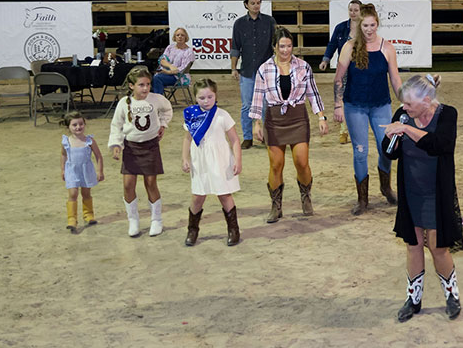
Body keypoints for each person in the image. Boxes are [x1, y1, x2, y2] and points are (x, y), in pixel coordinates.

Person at [381, 75, 463, 322]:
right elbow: (390, 154)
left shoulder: (447, 115)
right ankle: (413, 299)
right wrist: (391, 139)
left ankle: (452, 295)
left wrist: (407, 129)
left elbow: (441, 145)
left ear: (426, 101)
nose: (404, 109)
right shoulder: (402, 114)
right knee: (413, 244)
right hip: (411, 190)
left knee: (438, 246)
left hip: (437, 192)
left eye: (409, 104)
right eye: (403, 104)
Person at [251, 27, 328, 223]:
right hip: (274, 119)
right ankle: (276, 206)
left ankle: (306, 197)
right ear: (274, 47)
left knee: (301, 162)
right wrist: (256, 123)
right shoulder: (264, 69)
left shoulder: (303, 66)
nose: (286, 50)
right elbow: (258, 96)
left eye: (289, 46)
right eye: (282, 46)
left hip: (298, 117)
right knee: (276, 165)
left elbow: (313, 92)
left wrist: (321, 116)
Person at [333, 3, 402, 215]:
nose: (369, 29)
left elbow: (395, 79)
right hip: (355, 107)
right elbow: (339, 78)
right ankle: (362, 199)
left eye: (372, 25)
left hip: (381, 105)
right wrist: (338, 104)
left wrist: (406, 99)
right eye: (365, 25)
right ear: (359, 25)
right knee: (360, 152)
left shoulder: (387, 48)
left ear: (377, 24)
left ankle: (385, 187)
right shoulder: (349, 47)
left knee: (386, 149)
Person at [108, 65, 174, 238]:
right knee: (128, 184)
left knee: (150, 183)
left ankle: (156, 220)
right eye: (141, 85)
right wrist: (116, 145)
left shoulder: (156, 99)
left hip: (150, 146)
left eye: (148, 84)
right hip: (131, 147)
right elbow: (117, 125)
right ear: (131, 86)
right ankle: (133, 220)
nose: (145, 88)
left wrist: (163, 124)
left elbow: (167, 109)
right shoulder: (124, 103)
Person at [181, 78, 243, 247]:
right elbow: (187, 139)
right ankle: (192, 229)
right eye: (202, 98)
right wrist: (185, 158)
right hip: (200, 162)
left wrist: (237, 160)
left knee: (224, 195)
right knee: (198, 197)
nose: (206, 101)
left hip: (220, 161)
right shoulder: (191, 116)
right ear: (195, 98)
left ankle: (233, 230)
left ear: (216, 96)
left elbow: (235, 140)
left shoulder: (223, 115)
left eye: (210, 97)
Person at [230, 0, 276, 150]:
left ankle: (265, 135)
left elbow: (275, 44)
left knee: (266, 104)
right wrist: (233, 68)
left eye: (258, 3)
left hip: (266, 71)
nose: (256, 5)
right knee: (247, 105)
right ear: (246, 5)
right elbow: (235, 46)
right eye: (253, 3)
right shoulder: (239, 24)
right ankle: (248, 137)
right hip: (247, 70)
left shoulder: (270, 22)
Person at [320, 0, 362, 145]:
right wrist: (325, 60)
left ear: (361, 11)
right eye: (351, 10)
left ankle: (356, 129)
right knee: (342, 97)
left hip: (360, 68)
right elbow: (332, 44)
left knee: (357, 98)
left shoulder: (365, 29)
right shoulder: (341, 28)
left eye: (356, 10)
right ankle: (343, 130)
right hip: (343, 68)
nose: (353, 13)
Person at [59, 110, 105, 233]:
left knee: (86, 193)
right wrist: (63, 169)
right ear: (68, 127)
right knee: (73, 194)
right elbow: (63, 155)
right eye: (74, 125)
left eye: (81, 124)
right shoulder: (66, 141)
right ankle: (72, 219)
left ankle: (88, 215)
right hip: (72, 171)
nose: (78, 127)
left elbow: (98, 156)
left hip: (86, 171)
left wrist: (100, 171)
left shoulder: (89, 141)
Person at [151, 27, 196, 95]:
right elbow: (162, 60)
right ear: (174, 37)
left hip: (179, 78)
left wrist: (168, 72)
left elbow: (182, 69)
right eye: (177, 35)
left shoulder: (189, 52)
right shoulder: (170, 47)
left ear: (186, 37)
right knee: (149, 77)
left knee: (157, 78)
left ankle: (159, 99)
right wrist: (170, 66)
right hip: (166, 73)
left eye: (182, 35)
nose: (180, 37)